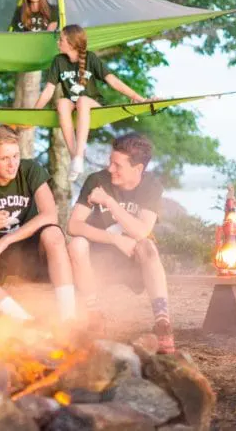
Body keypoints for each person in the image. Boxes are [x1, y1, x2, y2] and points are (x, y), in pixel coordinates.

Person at [0, 124, 76, 322]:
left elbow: (50, 215)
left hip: (29, 248)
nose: (12, 164)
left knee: (53, 233)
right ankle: (23, 320)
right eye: (4, 158)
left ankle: (69, 318)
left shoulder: (30, 170)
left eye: (15, 156)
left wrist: (7, 239)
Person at [66, 133, 175, 354]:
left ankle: (163, 323)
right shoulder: (97, 180)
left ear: (137, 169)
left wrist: (109, 203)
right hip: (98, 261)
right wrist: (114, 239)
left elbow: (141, 231)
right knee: (76, 244)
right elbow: (74, 226)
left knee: (148, 245)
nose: (110, 169)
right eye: (110, 162)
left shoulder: (151, 187)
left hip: (134, 260)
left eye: (117, 165)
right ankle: (94, 315)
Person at [33, 24, 146, 182]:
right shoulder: (58, 61)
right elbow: (48, 90)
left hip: (93, 106)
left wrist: (138, 97)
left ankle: (79, 154)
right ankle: (76, 158)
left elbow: (112, 81)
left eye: (61, 40)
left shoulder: (90, 58)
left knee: (82, 100)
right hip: (73, 108)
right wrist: (34, 113)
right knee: (61, 103)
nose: (58, 42)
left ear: (71, 43)